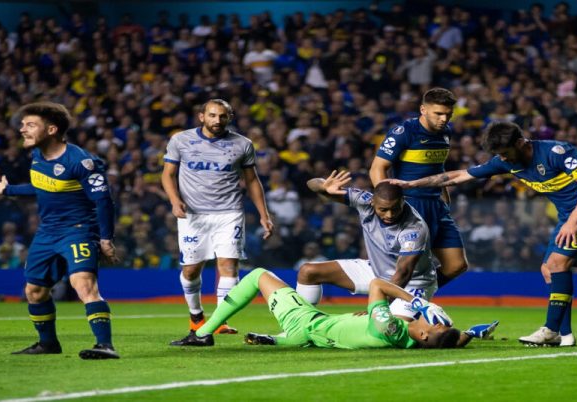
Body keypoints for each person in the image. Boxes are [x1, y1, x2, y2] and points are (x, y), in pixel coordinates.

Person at [389, 121, 577, 347]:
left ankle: (550, 330)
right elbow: (458, 176)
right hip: (568, 216)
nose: (504, 159)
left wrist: (573, 221)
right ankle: (564, 333)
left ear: (520, 142)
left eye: (506, 153)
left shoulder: (556, 152)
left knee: (558, 264)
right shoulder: (506, 162)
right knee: (549, 269)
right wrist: (411, 184)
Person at [0, 101, 120, 359]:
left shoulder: (82, 162)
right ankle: (47, 344)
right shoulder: (37, 156)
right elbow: (43, 187)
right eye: (22, 125)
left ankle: (105, 345)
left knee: (83, 284)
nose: (23, 129)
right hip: (47, 233)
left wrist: (105, 239)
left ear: (52, 129)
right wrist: (7, 190)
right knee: (34, 291)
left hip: (78, 230)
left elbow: (103, 201)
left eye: (30, 125)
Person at [161, 99, 274, 346]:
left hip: (229, 212)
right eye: (212, 115)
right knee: (191, 270)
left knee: (228, 266)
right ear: (202, 116)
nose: (217, 120)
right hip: (193, 215)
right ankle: (196, 318)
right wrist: (174, 200)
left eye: (222, 116)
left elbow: (252, 180)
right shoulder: (181, 140)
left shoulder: (242, 144)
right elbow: (168, 174)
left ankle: (218, 322)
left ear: (230, 117)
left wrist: (264, 215)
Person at [180, 267, 498, 349]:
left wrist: (419, 302)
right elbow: (452, 339)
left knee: (258, 276)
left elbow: (376, 285)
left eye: (435, 325)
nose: (431, 321)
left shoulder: (388, 328)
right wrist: (470, 332)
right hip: (319, 329)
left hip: (307, 322)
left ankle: (203, 332)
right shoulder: (405, 335)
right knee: (301, 335)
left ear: (426, 335)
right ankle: (276, 339)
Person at [296, 170, 437, 320]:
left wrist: (376, 308)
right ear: (372, 202)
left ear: (403, 201)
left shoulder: (414, 229)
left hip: (412, 283)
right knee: (308, 271)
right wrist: (324, 187)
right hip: (376, 271)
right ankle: (300, 325)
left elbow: (403, 273)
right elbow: (311, 184)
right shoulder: (363, 200)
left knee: (391, 330)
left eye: (395, 209)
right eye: (383, 209)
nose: (389, 215)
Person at [370, 88, 468, 290]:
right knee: (406, 269)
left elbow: (438, 169)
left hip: (437, 206)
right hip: (410, 205)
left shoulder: (446, 132)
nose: (444, 119)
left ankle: (416, 295)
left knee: (456, 265)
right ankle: (385, 305)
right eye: (438, 114)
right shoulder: (404, 132)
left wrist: (445, 199)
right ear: (423, 109)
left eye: (448, 114)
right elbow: (377, 168)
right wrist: (388, 205)